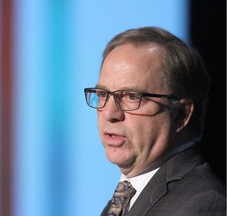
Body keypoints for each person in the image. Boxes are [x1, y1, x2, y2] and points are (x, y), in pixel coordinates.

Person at [84, 26, 226, 216]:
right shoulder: (125, 198)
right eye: (102, 94)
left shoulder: (203, 203)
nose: (109, 112)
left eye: (131, 96)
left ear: (181, 114)